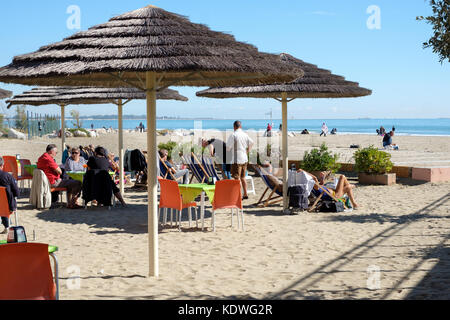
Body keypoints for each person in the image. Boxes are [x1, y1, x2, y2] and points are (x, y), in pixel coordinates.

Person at [37, 144, 83, 209]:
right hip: (53, 182)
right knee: (78, 182)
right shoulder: (48, 159)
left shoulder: (41, 158)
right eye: (56, 152)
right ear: (51, 152)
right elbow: (60, 171)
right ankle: (73, 203)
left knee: (70, 183)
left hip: (47, 181)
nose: (56, 154)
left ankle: (70, 203)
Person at [227, 121, 254, 200]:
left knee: (237, 178)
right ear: (240, 126)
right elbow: (252, 143)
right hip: (244, 158)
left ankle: (239, 195)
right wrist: (247, 151)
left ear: (234, 127)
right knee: (243, 177)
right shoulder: (245, 135)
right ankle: (245, 194)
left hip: (236, 159)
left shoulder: (233, 135)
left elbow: (228, 148)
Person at [0, 157, 19, 234]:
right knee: (4, 201)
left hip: (2, 205)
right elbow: (17, 192)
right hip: (8, 206)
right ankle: (7, 225)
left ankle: (7, 225)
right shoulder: (7, 176)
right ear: (2, 165)